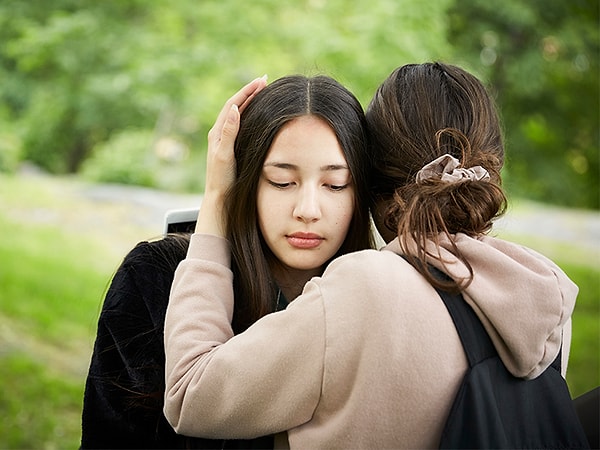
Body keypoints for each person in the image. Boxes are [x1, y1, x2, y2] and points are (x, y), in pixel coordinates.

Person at [163, 62, 579, 449]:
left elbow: (190, 395)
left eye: (337, 183)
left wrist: (217, 197)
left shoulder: (364, 289)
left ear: (371, 181)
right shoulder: (545, 289)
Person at [80, 74, 374, 449]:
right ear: (246, 178)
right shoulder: (154, 278)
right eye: (282, 181)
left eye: (335, 185)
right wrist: (217, 194)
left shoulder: (377, 304)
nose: (308, 210)